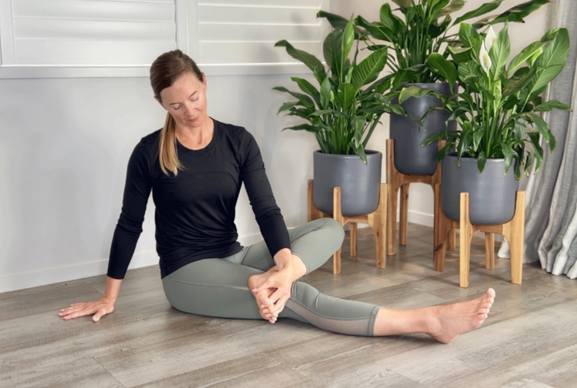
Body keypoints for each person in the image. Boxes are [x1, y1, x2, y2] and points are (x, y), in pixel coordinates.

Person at [59, 50, 495, 343]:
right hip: (187, 274)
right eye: (176, 106)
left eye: (194, 96)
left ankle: (276, 280)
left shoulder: (237, 141)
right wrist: (109, 296)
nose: (189, 111)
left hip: (234, 254)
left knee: (328, 227)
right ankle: (427, 320)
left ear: (205, 83)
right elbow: (128, 224)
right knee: (296, 301)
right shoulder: (149, 152)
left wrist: (282, 266)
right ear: (161, 104)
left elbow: (265, 208)